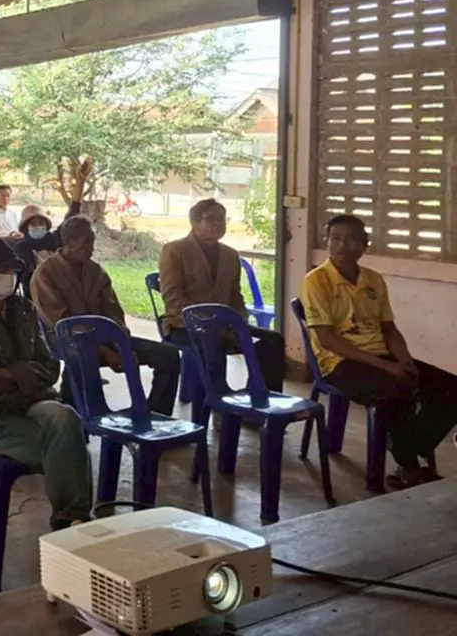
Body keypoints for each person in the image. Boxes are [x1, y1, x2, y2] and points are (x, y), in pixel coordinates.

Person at [0, 236, 91, 530]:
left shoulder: (23, 309)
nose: (8, 278)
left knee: (66, 418)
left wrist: (9, 374)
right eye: (0, 271)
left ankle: (72, 518)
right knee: (66, 446)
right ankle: (71, 522)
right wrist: (25, 374)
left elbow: (50, 366)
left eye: (12, 271)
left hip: (29, 403)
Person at [301, 215, 457, 489]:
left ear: (364, 245)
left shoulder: (373, 279)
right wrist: (385, 366)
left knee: (451, 388)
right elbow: (326, 338)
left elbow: (389, 329)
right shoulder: (316, 280)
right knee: (397, 390)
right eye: (335, 238)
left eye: (351, 239)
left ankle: (407, 444)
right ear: (327, 242)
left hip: (381, 356)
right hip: (340, 362)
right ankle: (409, 467)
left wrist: (404, 361)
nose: (342, 245)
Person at [31, 217, 182, 416]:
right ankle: (83, 416)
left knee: (168, 355)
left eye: (92, 242)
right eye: (86, 242)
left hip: (105, 337)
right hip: (66, 340)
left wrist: (122, 345)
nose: (92, 248)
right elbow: (63, 325)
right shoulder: (45, 274)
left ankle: (156, 415)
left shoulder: (96, 271)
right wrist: (103, 351)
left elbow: (114, 312)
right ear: (69, 242)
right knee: (82, 358)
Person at [159, 199, 286, 393]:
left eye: (222, 219)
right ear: (194, 222)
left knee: (273, 340)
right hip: (183, 325)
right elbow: (173, 297)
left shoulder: (230, 255)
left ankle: (260, 396)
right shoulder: (174, 251)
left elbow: (235, 296)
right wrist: (210, 322)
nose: (217, 224)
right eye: (211, 219)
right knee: (211, 341)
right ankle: (217, 400)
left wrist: (239, 322)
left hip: (225, 325)